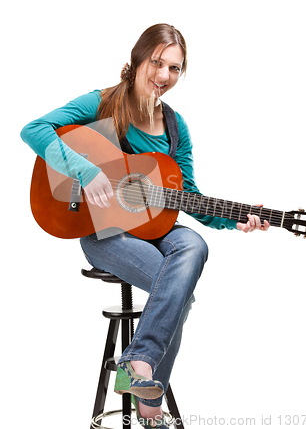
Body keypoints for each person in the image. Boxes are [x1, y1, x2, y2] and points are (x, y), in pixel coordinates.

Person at [21, 24, 269, 428]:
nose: (164, 75)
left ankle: (137, 367)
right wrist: (85, 171)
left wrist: (234, 217)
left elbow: (188, 196)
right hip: (104, 232)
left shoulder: (175, 128)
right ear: (137, 59)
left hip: (157, 230)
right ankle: (150, 409)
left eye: (174, 68)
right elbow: (34, 130)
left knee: (194, 244)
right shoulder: (102, 103)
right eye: (157, 62)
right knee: (178, 295)